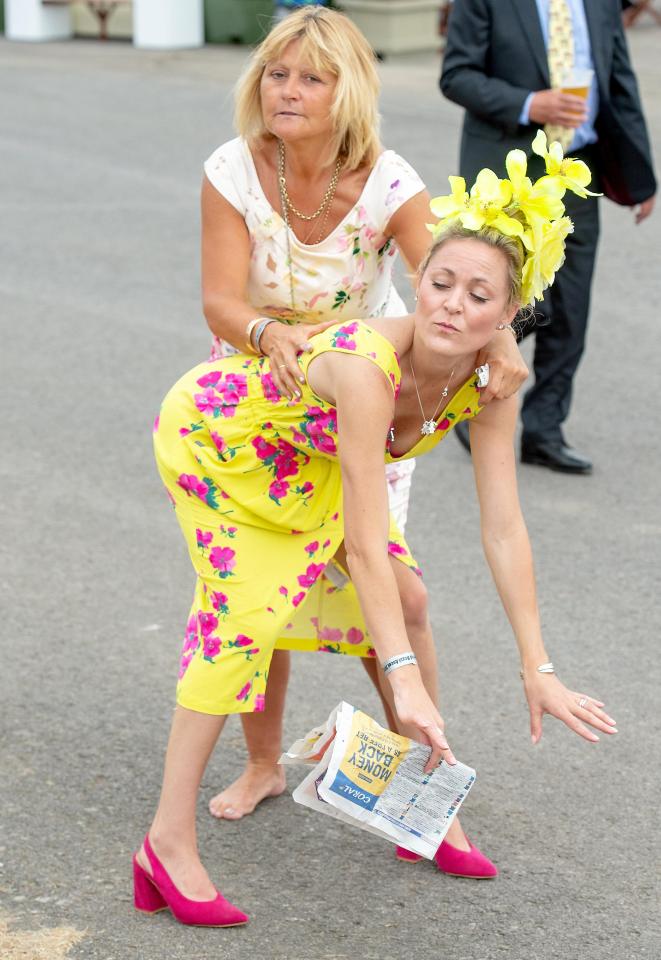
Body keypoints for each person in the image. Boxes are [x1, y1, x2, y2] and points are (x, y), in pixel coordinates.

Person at [135, 151, 617, 926]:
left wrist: (539, 665)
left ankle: (425, 806)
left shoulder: (491, 383)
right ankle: (166, 843)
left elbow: (503, 526)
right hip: (226, 446)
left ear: (507, 316)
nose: (451, 305)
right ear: (416, 280)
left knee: (411, 599)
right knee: (244, 626)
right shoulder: (366, 368)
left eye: (478, 295)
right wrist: (401, 678)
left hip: (314, 464)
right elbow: (363, 543)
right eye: (438, 281)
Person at [200, 3, 526, 867]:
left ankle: (429, 790)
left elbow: (449, 281)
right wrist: (269, 335)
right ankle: (263, 763)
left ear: (349, 93)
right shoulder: (233, 168)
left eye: (311, 77)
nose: (289, 90)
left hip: (365, 400)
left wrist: (500, 346)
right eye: (277, 72)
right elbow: (221, 302)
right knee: (258, 602)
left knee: (402, 596)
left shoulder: (388, 180)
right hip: (260, 403)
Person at [441, 0, 656, 473]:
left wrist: (641, 178)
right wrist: (528, 103)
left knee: (571, 308)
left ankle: (544, 428)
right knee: (508, 306)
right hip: (507, 175)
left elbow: (619, 82)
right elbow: (456, 75)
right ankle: (467, 403)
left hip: (576, 172)